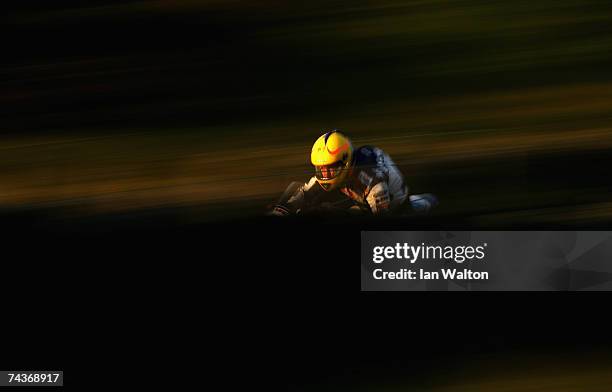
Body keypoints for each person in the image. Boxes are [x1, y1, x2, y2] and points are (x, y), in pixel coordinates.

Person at [270, 130, 437, 216]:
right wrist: (281, 210)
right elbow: (305, 192)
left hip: (395, 209)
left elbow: (380, 223)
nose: (325, 174)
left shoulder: (372, 180)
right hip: (362, 202)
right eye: (321, 168)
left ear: (346, 161)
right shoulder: (337, 171)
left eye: (330, 168)